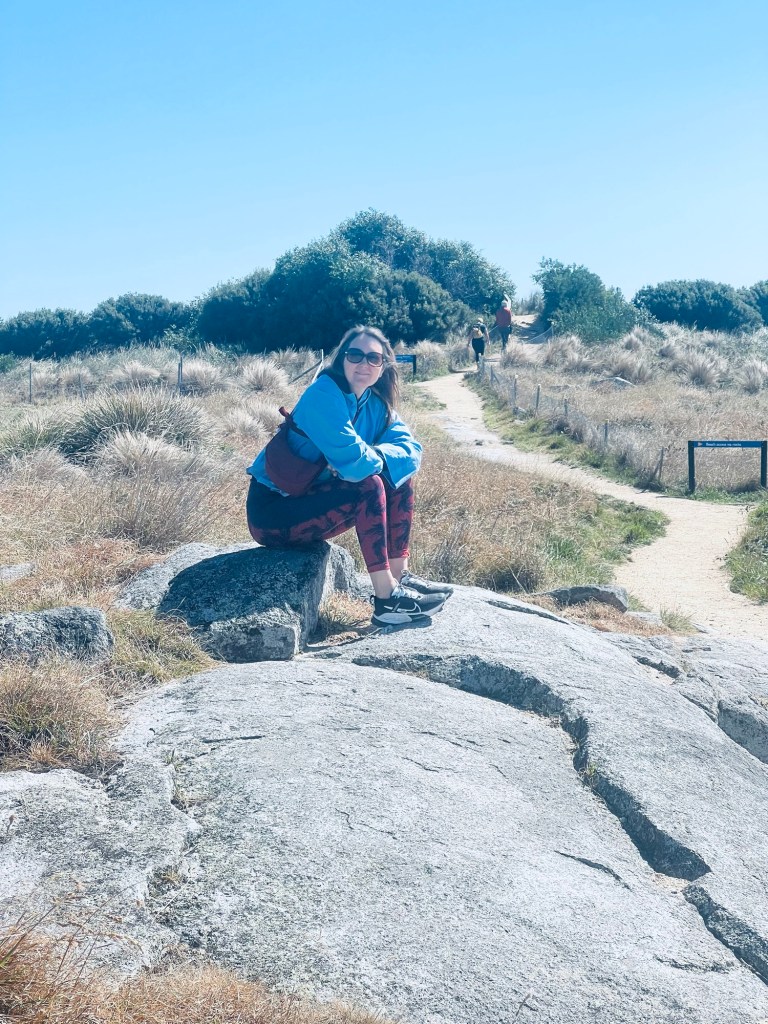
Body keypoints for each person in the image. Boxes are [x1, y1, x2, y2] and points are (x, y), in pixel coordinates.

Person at [246, 325, 453, 627]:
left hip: (312, 502)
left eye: (373, 358)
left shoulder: (375, 405)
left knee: (398, 478)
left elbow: (412, 452)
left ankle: (399, 577)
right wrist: (365, 461)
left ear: (383, 367)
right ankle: (386, 600)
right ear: (342, 358)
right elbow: (355, 466)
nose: (363, 364)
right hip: (273, 514)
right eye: (355, 355)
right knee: (368, 485)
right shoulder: (323, 394)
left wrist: (374, 457)